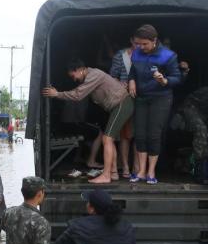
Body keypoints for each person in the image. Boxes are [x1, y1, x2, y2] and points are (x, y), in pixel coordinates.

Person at [42, 59, 134, 184]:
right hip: (116, 107)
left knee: (107, 139)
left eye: (73, 75)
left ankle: (106, 175)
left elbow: (78, 95)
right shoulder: (89, 77)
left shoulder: (93, 75)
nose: (74, 79)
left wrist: (57, 94)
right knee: (109, 139)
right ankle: (113, 173)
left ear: (79, 70)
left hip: (122, 104)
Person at [128, 24, 182, 184]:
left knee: (153, 135)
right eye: (138, 44)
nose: (141, 47)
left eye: (144, 44)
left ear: (154, 41)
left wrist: (164, 80)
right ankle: (141, 171)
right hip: (141, 97)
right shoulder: (137, 53)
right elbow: (133, 71)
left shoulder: (168, 55)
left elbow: (177, 77)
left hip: (161, 98)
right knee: (140, 135)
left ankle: (151, 172)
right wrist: (131, 81)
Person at [110, 38, 140, 178]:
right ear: (131, 40)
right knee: (125, 135)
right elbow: (112, 77)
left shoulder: (147, 54)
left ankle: (137, 167)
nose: (139, 45)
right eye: (136, 42)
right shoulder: (120, 55)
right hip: (125, 98)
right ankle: (125, 167)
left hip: (143, 99)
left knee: (139, 135)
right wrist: (120, 84)